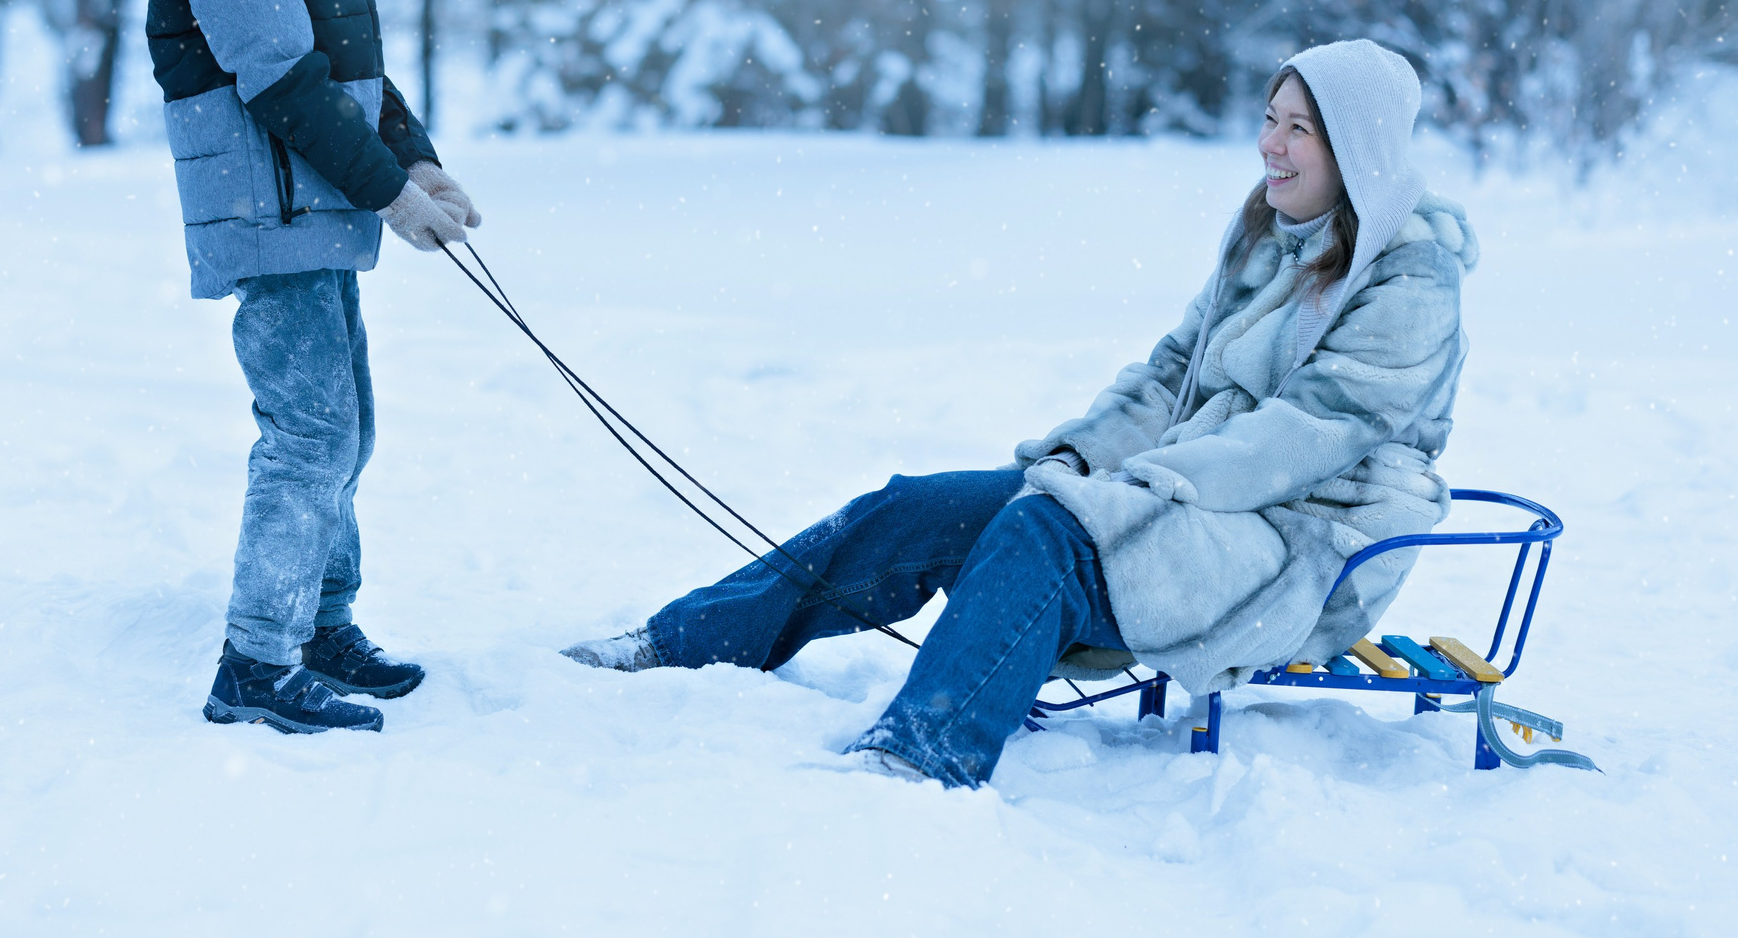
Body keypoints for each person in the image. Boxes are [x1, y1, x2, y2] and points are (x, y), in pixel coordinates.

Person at [563, 39, 1476, 788]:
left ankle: (924, 753)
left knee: (1046, 532)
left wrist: (1143, 485)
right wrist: (1085, 460)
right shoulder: (1269, 238)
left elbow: (1308, 437)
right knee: (926, 504)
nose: (1271, 146)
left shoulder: (1411, 277)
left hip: (1300, 543)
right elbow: (1169, 377)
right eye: (1270, 120)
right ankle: (677, 642)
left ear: (1356, 147)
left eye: (1299, 129)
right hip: (1189, 499)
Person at [137, 0, 481, 736]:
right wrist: (384, 193)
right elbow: (282, 80)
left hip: (313, 204)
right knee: (308, 433)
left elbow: (350, 71)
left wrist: (413, 163)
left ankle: (321, 621)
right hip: (272, 211)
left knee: (345, 427)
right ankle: (257, 655)